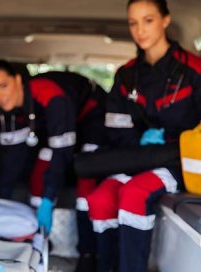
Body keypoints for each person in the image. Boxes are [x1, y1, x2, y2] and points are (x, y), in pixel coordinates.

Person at [85, 1, 201, 271]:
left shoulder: (194, 71)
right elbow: (115, 126)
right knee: (100, 199)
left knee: (134, 194)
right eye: (133, 22)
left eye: (148, 20)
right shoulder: (126, 75)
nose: (140, 30)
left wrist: (173, 141)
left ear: (165, 20)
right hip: (136, 156)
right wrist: (140, 140)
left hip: (179, 161)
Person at [0, 60, 108, 272]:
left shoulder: (51, 95)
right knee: (39, 174)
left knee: (86, 174)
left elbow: (62, 153)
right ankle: (39, 240)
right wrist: (0, 202)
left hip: (94, 118)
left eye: (3, 86)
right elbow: (13, 157)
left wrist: (49, 199)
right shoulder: (9, 109)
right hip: (65, 125)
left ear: (18, 80)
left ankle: (89, 253)